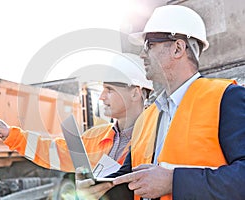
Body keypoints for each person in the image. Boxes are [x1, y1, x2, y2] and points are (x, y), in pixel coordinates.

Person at [77, 5, 245, 200]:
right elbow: (130, 180)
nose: (142, 55)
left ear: (177, 48)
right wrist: (98, 187)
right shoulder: (147, 117)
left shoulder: (227, 98)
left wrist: (173, 182)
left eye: (149, 45)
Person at [0, 53, 154, 174]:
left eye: (109, 90)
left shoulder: (158, 136)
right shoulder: (96, 136)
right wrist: (11, 135)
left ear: (135, 93)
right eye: (102, 89)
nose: (101, 97)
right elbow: (54, 152)